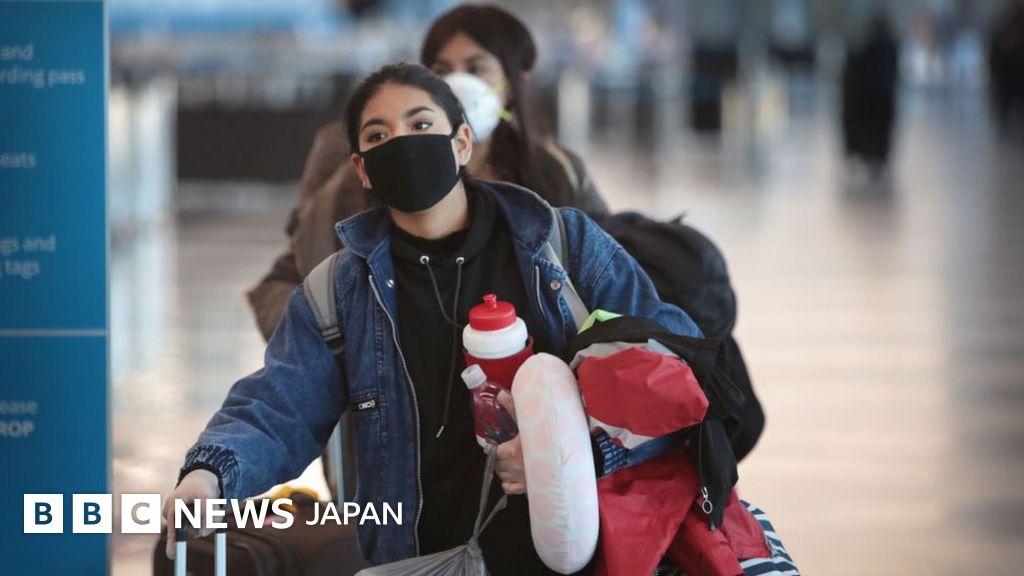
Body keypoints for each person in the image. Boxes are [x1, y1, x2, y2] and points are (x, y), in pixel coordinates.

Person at [164, 63, 702, 575]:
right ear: (362, 169)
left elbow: (675, 374)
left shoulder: (563, 248)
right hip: (422, 559)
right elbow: (280, 405)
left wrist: (574, 455)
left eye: (421, 124)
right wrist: (211, 474)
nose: (401, 143)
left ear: (462, 142)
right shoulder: (338, 293)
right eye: (378, 135)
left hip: (584, 559)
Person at [248, 4, 609, 340]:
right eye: (441, 70)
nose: (457, 84)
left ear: (515, 84)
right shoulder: (355, 168)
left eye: (476, 69)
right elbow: (290, 277)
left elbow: (606, 271)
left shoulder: (556, 174)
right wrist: (335, 345)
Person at [841, 12, 900, 183]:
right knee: (878, 134)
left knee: (873, 133)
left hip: (872, 100)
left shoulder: (870, 49)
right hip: (882, 100)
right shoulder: (889, 49)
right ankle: (876, 161)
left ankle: (872, 159)